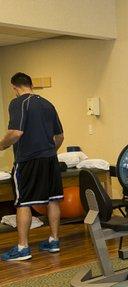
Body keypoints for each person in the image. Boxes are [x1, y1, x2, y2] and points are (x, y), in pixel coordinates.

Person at [0, 72, 64, 261]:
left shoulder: (18, 102)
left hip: (28, 160)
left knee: (24, 202)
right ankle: (54, 241)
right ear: (31, 85)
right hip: (50, 159)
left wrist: (2, 144)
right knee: (53, 200)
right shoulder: (47, 104)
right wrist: (50, 151)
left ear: (14, 87)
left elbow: (16, 133)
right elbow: (59, 136)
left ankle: (22, 248)